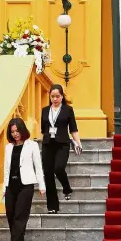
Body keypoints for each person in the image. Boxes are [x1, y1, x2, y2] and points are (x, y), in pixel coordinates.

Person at [3, 118, 46, 241]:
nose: (15, 134)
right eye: (12, 131)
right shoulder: (8, 147)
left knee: (19, 217)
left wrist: (42, 185)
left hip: (26, 185)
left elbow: (38, 167)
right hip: (11, 186)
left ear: (22, 130)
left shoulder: (32, 145)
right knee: (10, 216)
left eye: (17, 131)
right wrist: (4, 187)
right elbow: (6, 169)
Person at [41, 84, 81, 213]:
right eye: (52, 96)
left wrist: (78, 143)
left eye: (57, 96)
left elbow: (73, 128)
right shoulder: (45, 110)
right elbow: (43, 129)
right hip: (48, 144)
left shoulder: (68, 110)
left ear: (62, 96)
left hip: (63, 143)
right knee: (48, 174)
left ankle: (66, 188)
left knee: (58, 168)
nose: (55, 99)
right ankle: (52, 206)